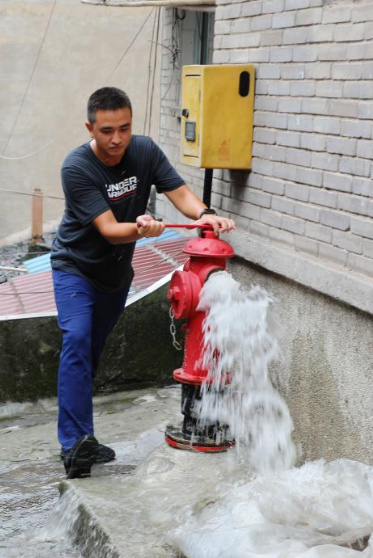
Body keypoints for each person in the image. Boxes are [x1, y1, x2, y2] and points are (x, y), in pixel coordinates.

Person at [51, 87, 235, 478]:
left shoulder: (145, 151)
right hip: (75, 270)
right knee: (77, 340)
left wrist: (205, 215)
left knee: (90, 355)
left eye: (124, 128)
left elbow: (179, 191)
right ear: (90, 128)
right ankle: (73, 446)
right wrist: (145, 230)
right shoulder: (77, 167)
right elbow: (110, 230)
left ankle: (86, 438)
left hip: (115, 277)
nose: (116, 139)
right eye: (106, 131)